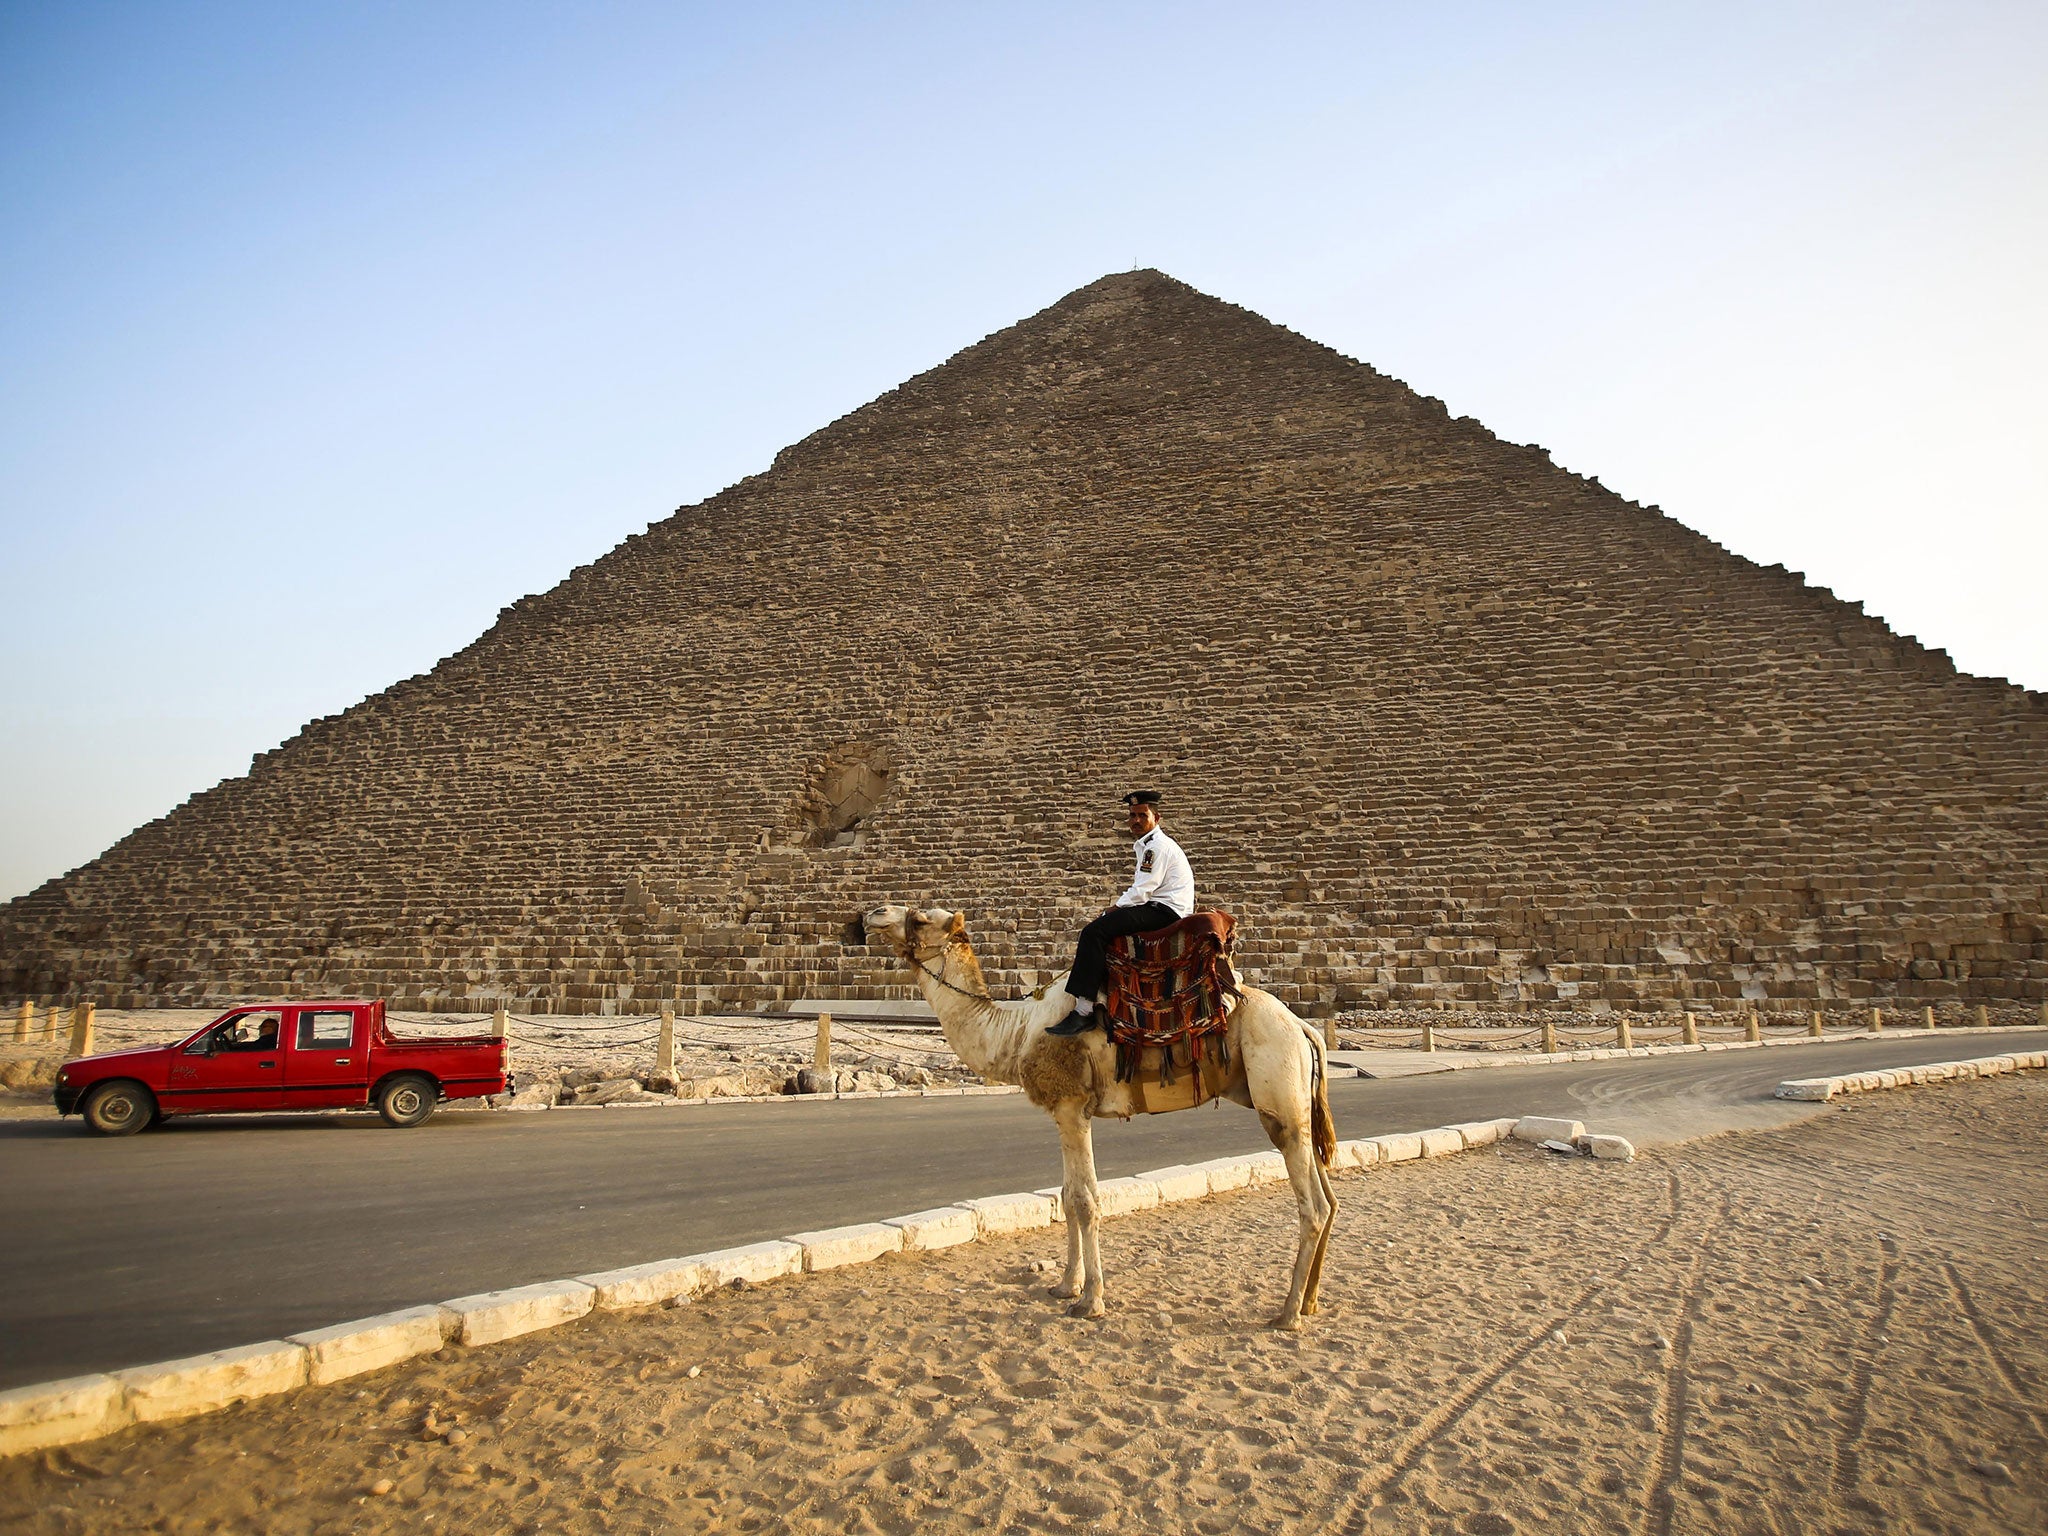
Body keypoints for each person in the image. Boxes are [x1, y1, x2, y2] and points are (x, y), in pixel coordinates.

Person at [1046, 790, 1195, 1036]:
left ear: (1156, 818)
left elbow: (1142, 892)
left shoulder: (1155, 848)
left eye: (1142, 815)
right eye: (1132, 815)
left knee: (1094, 932)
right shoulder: (1150, 845)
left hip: (1165, 910)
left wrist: (1111, 910)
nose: (1135, 820)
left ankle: (1083, 1012)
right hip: (1161, 906)